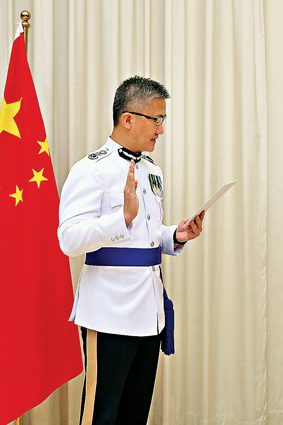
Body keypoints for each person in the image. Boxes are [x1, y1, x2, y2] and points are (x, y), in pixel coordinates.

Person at [58, 76, 205, 424]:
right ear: (128, 118)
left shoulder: (153, 171)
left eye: (163, 120)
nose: (161, 129)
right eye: (156, 120)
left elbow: (148, 234)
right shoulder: (91, 169)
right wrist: (119, 219)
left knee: (134, 414)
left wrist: (177, 236)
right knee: (101, 415)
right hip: (107, 313)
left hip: (148, 312)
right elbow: (69, 239)